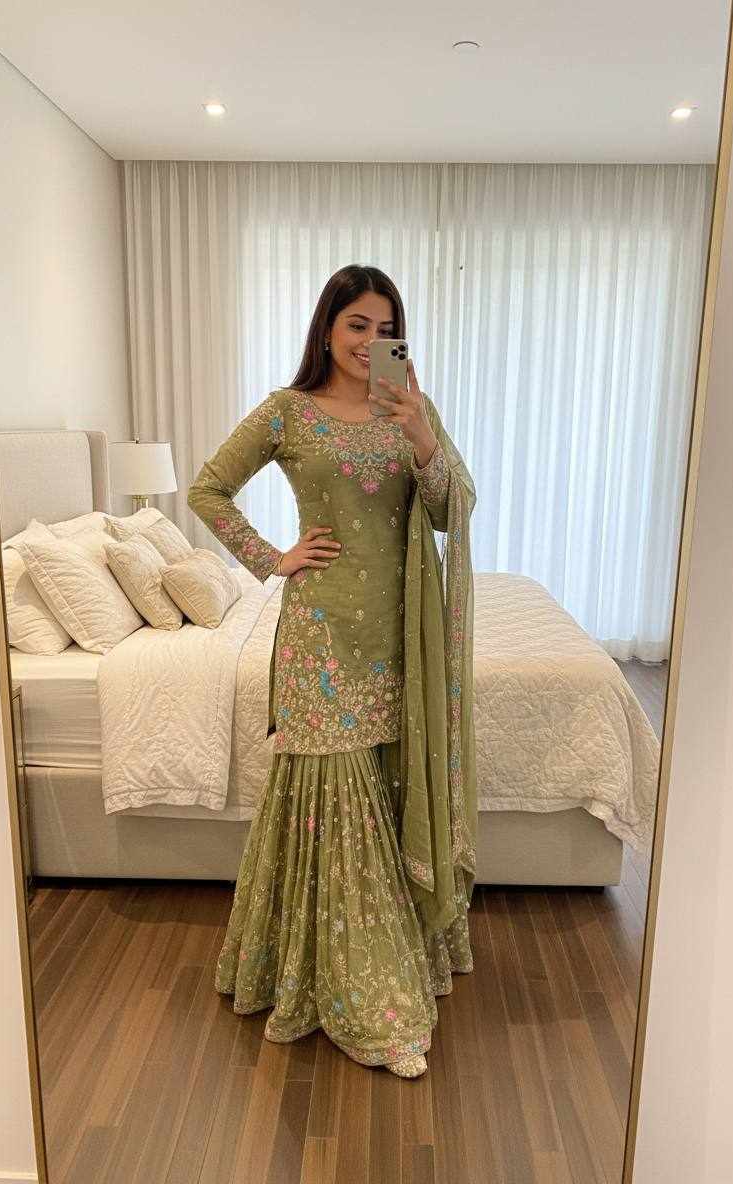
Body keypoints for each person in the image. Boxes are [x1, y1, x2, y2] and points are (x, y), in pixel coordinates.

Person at [187, 264, 477, 1078]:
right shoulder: (287, 411)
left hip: (402, 631)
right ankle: (370, 1000)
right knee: (337, 797)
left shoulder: (410, 411)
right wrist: (272, 557)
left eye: (386, 330)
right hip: (320, 639)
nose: (369, 341)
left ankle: (378, 952)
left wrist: (421, 436)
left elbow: (453, 509)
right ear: (327, 328)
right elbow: (208, 490)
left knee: (387, 787)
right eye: (357, 325)